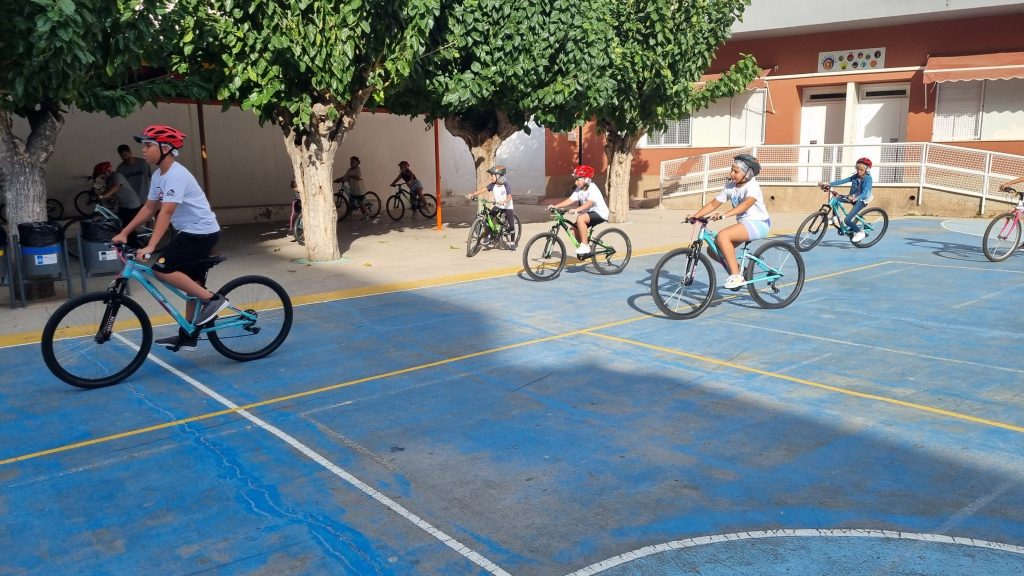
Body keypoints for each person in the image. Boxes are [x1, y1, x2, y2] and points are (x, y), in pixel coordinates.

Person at [111, 125, 229, 352]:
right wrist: (125, 232)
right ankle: (188, 336)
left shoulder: (176, 175)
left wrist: (151, 245)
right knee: (192, 285)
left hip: (201, 232)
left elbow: (166, 212)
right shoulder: (158, 175)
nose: (143, 150)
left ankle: (213, 300)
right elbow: (149, 208)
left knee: (161, 270)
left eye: (148, 145)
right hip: (189, 232)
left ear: (165, 148)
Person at [688, 154, 771, 290]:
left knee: (723, 235)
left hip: (759, 224)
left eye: (736, 172)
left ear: (748, 174)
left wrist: (724, 215)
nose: (731, 174)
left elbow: (745, 205)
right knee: (713, 250)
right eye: (731, 170)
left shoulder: (753, 186)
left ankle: (736, 276)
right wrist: (695, 216)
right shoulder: (730, 187)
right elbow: (714, 204)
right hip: (745, 225)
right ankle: (739, 270)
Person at [548, 165, 609, 257]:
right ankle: (585, 248)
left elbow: (588, 204)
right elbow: (570, 200)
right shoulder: (579, 189)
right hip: (589, 214)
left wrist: (576, 210)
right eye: (575, 179)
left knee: (580, 218)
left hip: (600, 213)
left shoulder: (593, 189)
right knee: (573, 230)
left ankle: (585, 246)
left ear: (586, 179)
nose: (576, 182)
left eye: (578, 179)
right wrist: (555, 206)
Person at [819, 157, 873, 243]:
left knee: (847, 220)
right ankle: (834, 218)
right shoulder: (855, 176)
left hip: (862, 199)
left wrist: (856, 198)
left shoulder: (868, 179)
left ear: (867, 170)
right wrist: (828, 184)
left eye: (861, 170)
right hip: (852, 197)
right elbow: (843, 181)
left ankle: (860, 232)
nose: (859, 172)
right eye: (857, 169)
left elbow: (865, 193)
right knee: (835, 199)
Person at [92, 161, 142, 247]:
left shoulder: (116, 176)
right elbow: (108, 190)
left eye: (101, 175)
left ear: (106, 172)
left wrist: (103, 196)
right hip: (123, 205)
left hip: (132, 205)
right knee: (121, 224)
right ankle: (127, 243)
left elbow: (117, 186)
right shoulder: (108, 181)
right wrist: (100, 195)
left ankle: (136, 248)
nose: (101, 177)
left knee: (128, 228)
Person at [466, 165, 516, 249]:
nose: (491, 177)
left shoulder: (505, 185)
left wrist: (504, 201)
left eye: (492, 175)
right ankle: (488, 236)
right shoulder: (493, 185)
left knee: (511, 225)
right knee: (489, 219)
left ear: (498, 176)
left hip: (507, 206)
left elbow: (509, 196)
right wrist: (473, 194)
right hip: (498, 205)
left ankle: (512, 242)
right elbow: (482, 190)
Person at [333, 155, 371, 220]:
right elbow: (345, 176)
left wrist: (350, 178)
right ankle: (349, 215)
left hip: (359, 189)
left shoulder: (358, 169)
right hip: (353, 189)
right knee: (351, 202)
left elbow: (358, 176)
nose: (351, 163)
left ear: (357, 163)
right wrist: (338, 179)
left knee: (359, 201)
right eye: (351, 162)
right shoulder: (349, 170)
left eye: (353, 162)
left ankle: (366, 215)